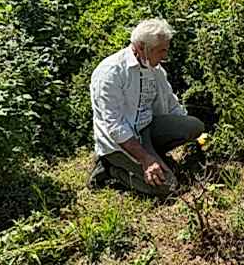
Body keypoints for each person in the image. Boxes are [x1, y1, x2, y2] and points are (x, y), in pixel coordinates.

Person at [87, 18, 205, 197]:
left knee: (194, 126)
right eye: (161, 50)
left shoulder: (155, 69)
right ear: (142, 47)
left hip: (147, 129)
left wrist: (195, 140)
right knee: (168, 187)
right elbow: (115, 127)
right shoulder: (111, 72)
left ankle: (154, 158)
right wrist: (146, 159)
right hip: (119, 143)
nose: (165, 56)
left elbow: (171, 104)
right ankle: (110, 170)